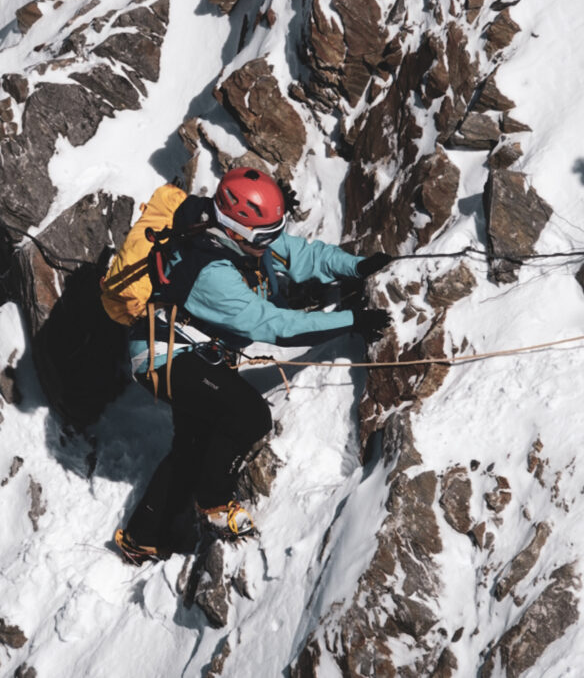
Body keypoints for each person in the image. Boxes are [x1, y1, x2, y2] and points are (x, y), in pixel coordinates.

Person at [113, 167, 393, 564]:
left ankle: (141, 538)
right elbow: (276, 326)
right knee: (248, 416)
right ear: (232, 228)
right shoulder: (213, 273)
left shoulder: (245, 242)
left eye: (274, 230)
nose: (271, 242)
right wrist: (351, 321)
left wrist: (355, 266)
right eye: (264, 235)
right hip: (164, 358)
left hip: (183, 347)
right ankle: (213, 503)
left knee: (192, 446)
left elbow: (298, 253)